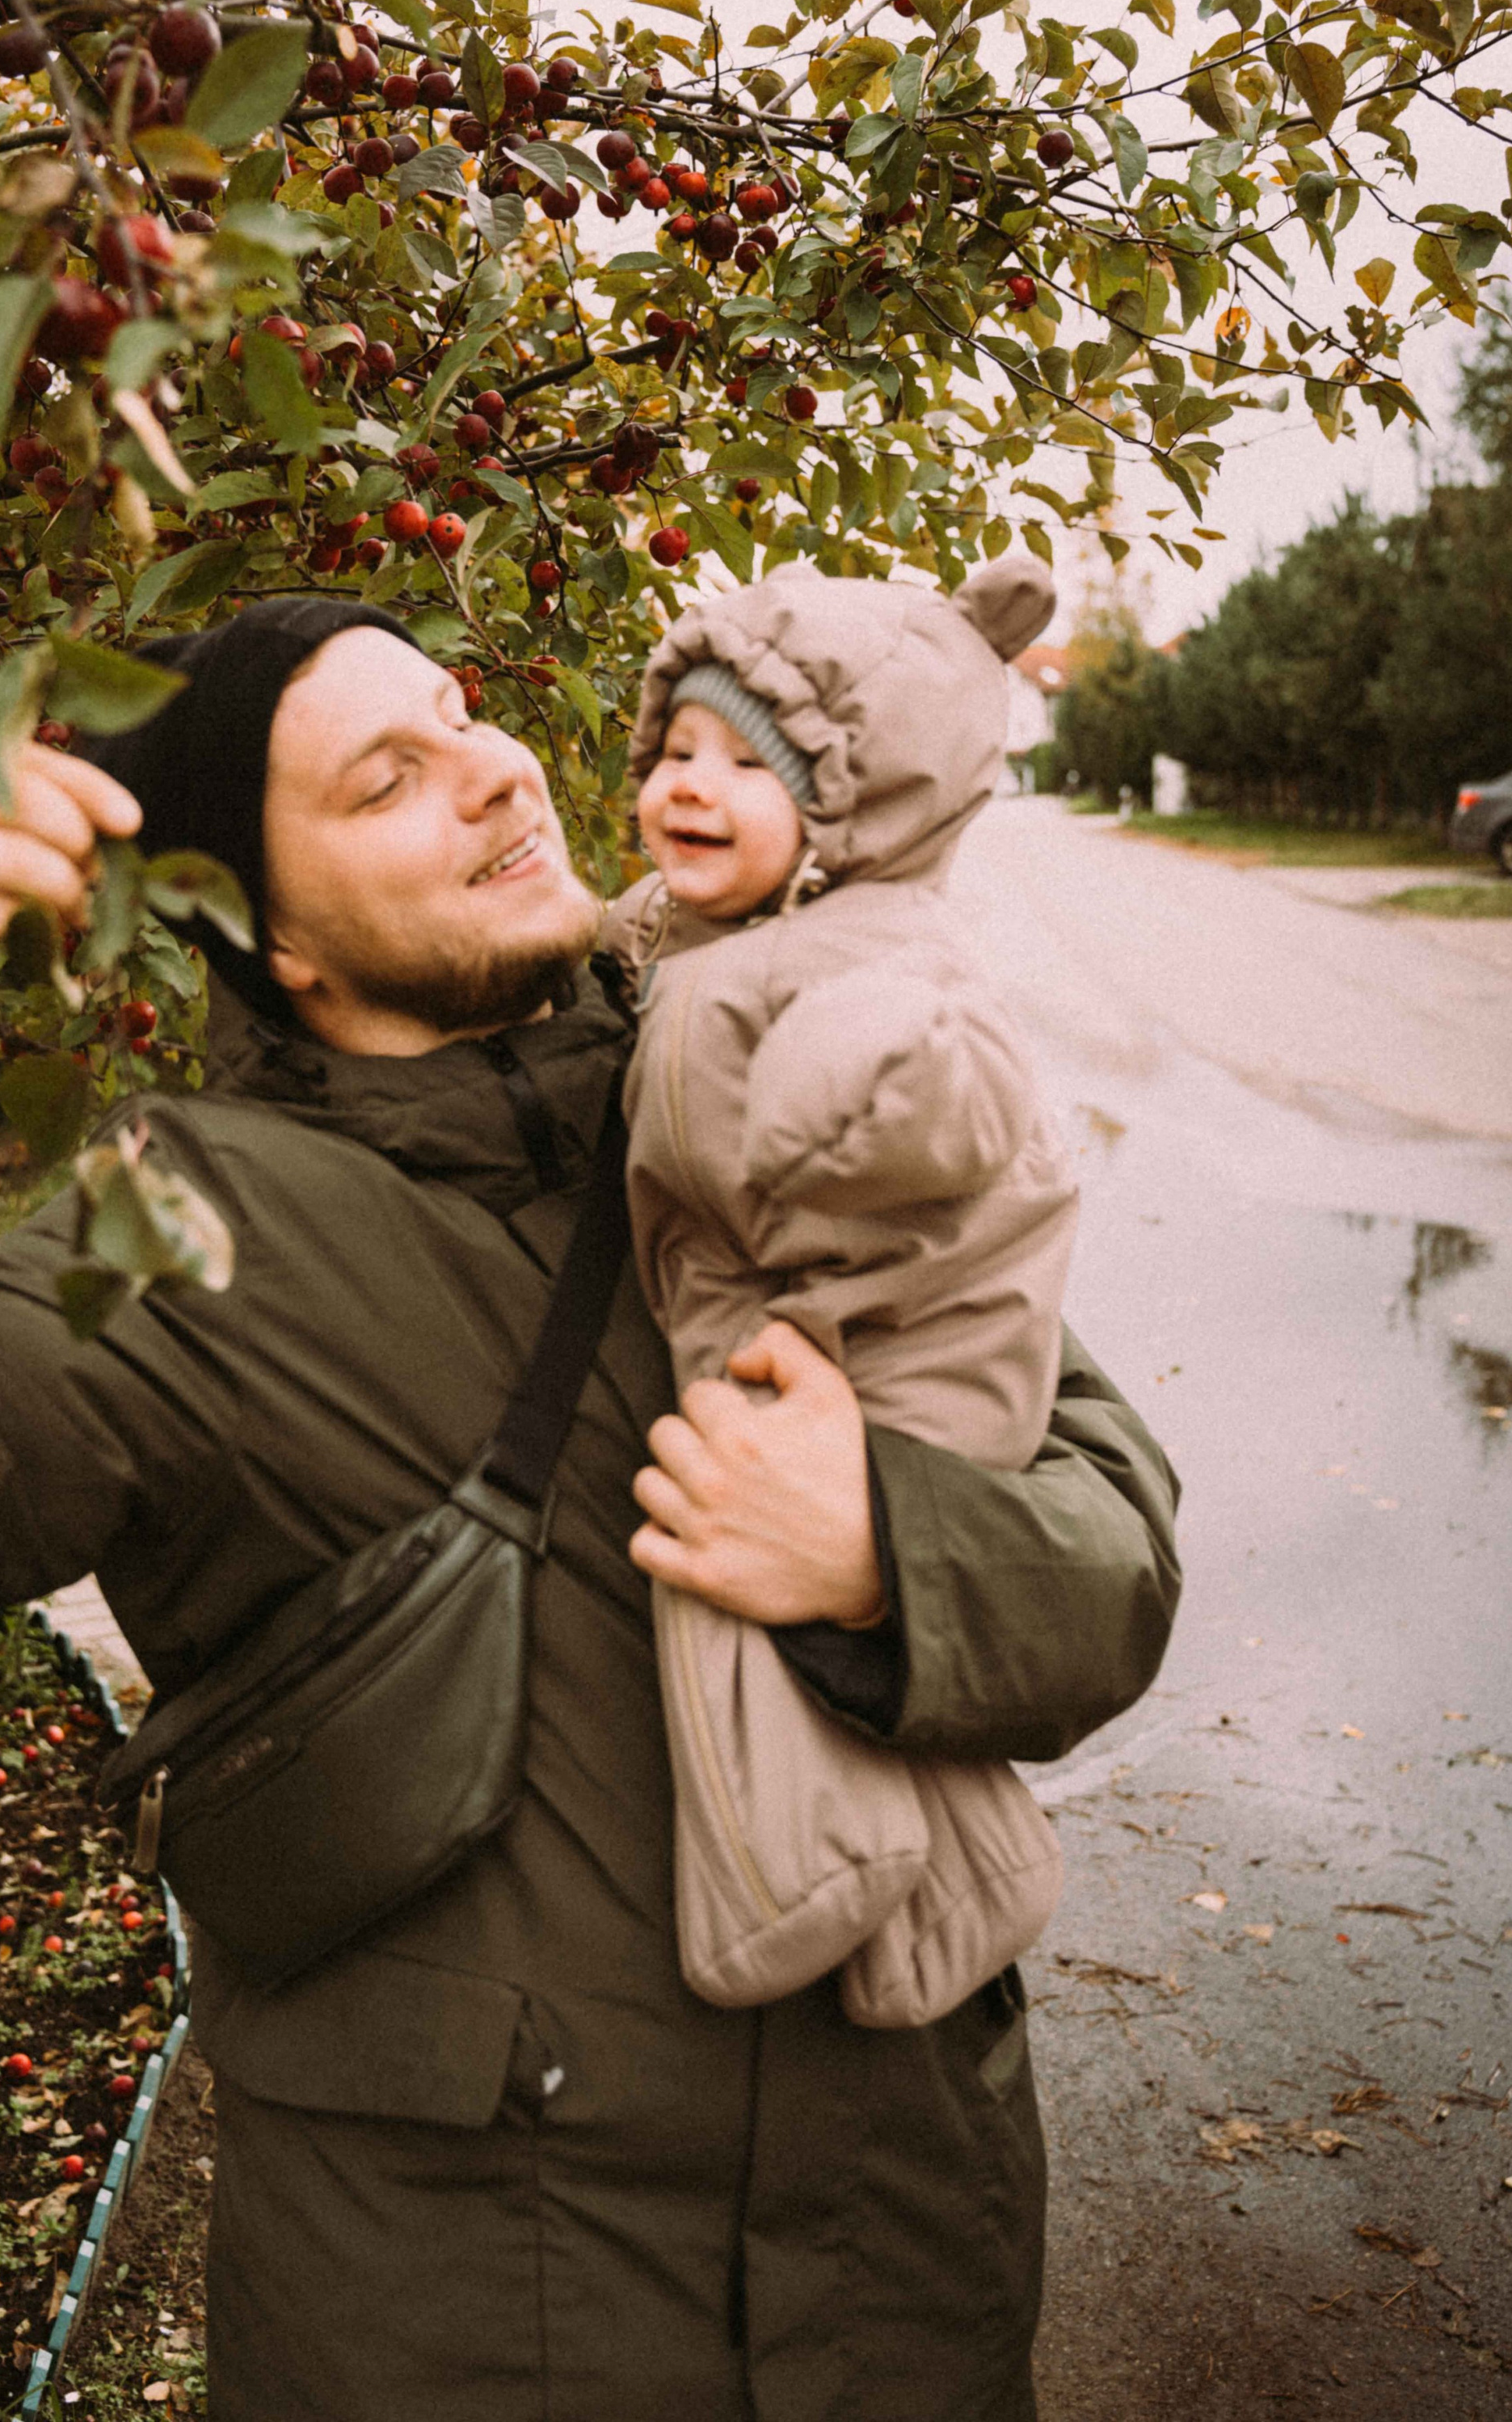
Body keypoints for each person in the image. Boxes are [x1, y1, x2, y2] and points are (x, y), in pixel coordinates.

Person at [0, 596, 1181, 2422]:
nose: (497, 769)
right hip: (478, 2331)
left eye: (465, 715)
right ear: (261, 925)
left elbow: (1115, 1544)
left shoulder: (776, 1049)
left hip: (913, 2284)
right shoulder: (184, 1236)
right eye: (388, 777)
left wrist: (886, 1555)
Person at [606, 557, 1080, 2029]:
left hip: (911, 1342)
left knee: (726, 1582)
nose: (692, 784)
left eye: (751, 764)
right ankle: (946, 1870)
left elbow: (950, 1083)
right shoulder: (730, 929)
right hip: (809, 1318)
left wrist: (841, 1095)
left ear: (854, 815)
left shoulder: (884, 954)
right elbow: (660, 968)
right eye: (678, 748)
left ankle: (800, 1883)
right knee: (757, 1581)